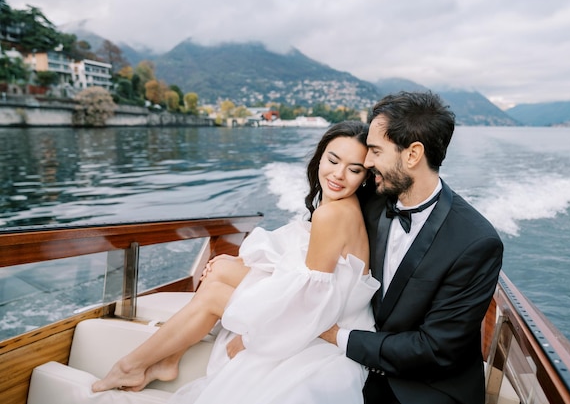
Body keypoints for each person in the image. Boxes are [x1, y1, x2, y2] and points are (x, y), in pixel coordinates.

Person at [92, 120, 380, 404]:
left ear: (365, 176)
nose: (339, 175)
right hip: (335, 309)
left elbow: (312, 299)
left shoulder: (333, 214)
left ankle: (130, 367)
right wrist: (236, 264)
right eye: (333, 160)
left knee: (216, 290)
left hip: (328, 323)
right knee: (220, 270)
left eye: (353, 169)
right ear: (320, 157)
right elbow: (307, 267)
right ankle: (168, 359)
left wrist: (254, 336)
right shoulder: (339, 206)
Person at [320, 91, 504, 404]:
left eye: (376, 151)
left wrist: (338, 336)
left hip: (426, 388)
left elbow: (435, 349)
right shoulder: (369, 201)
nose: (367, 161)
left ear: (412, 155)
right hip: (356, 364)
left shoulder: (476, 243)